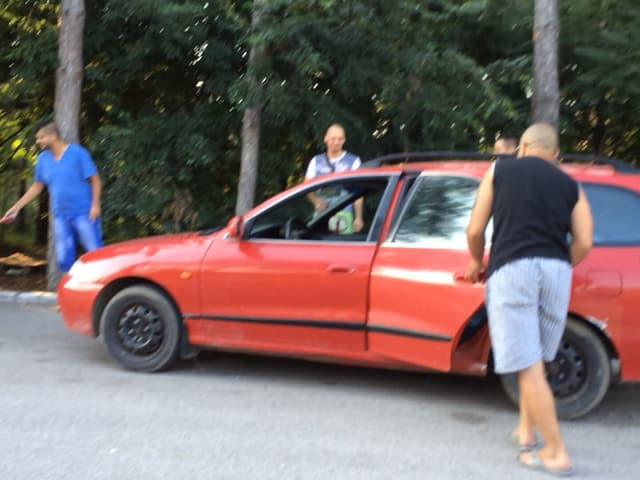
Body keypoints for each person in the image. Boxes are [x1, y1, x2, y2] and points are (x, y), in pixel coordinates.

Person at [465, 123, 593, 476]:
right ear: (555, 155)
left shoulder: (500, 169)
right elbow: (584, 241)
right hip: (556, 271)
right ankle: (526, 431)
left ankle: (556, 452)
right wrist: (559, 262)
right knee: (534, 358)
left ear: (521, 146)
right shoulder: (570, 183)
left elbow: (475, 229)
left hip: (513, 269)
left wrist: (476, 261)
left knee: (528, 363)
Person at [2, 122, 103, 272]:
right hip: (60, 216)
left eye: (41, 137)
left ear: (53, 136)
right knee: (63, 261)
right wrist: (16, 208)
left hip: (84, 213)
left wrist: (95, 205)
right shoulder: (43, 159)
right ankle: (77, 288)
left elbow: (96, 180)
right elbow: (37, 186)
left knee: (97, 255)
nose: (38, 142)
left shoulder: (77, 153)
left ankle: (105, 289)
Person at [305, 123, 364, 233]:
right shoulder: (316, 161)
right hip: (321, 214)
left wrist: (359, 217)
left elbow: (358, 193)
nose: (336, 142)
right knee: (317, 248)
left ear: (344, 140)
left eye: (340, 139)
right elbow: (306, 187)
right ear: (325, 139)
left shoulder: (354, 161)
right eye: (333, 138)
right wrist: (316, 201)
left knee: (341, 248)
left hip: (345, 214)